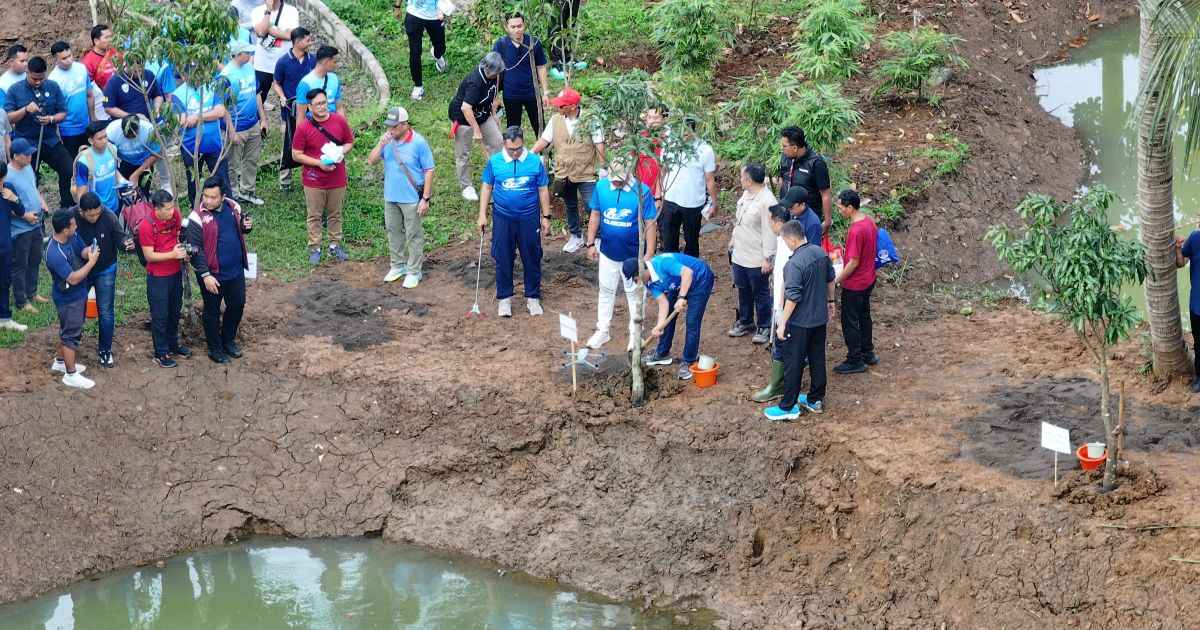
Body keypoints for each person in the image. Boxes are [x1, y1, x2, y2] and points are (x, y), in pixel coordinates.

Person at [763, 220, 834, 421]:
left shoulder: (793, 264)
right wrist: (831, 301)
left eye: (785, 240)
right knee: (817, 358)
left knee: (793, 362)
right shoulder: (820, 253)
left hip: (800, 323)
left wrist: (782, 322)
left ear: (791, 239)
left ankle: (788, 407)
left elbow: (793, 296)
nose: (785, 244)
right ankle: (815, 399)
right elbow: (831, 279)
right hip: (819, 319)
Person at [477, 125, 551, 318]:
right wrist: (482, 214)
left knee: (532, 256)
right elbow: (487, 187)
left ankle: (533, 297)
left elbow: (543, 189)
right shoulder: (495, 162)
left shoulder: (535, 162)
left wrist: (546, 216)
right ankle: (504, 298)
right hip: (503, 218)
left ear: (523, 143)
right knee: (503, 257)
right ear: (504, 144)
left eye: (518, 148)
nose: (516, 153)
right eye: (511, 149)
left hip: (529, 218)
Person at [583, 161, 656, 351]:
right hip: (607, 251)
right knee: (606, 290)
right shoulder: (601, 186)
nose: (615, 184)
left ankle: (635, 333)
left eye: (619, 181)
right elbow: (595, 214)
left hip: (632, 254)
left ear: (628, 175)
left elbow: (650, 222)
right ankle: (603, 330)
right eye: (613, 180)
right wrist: (590, 243)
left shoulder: (642, 191)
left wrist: (648, 253)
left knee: (634, 293)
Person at [185, 177, 253, 364]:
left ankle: (228, 340)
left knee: (237, 304)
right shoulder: (197, 217)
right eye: (206, 196)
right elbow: (194, 249)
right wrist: (205, 275)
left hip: (235, 271)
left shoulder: (233, 207)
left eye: (213, 197)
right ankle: (215, 348)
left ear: (222, 197)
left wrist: (246, 227)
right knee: (212, 310)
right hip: (212, 275)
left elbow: (239, 230)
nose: (207, 200)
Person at [531, 87, 605, 254]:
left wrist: (603, 168)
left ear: (572, 106)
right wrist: (531, 153)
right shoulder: (555, 120)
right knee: (570, 205)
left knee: (592, 206)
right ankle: (575, 236)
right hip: (564, 173)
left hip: (586, 172)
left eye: (561, 105)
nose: (558, 108)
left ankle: (598, 238)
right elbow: (544, 139)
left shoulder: (591, 120)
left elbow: (599, 143)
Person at [366, 106, 434, 287]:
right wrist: (380, 144)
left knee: (413, 235)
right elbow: (371, 160)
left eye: (394, 126)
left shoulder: (419, 142)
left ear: (405, 125)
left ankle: (414, 271)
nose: (391, 130)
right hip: (391, 196)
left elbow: (429, 170)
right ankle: (397, 265)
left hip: (411, 198)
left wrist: (425, 198)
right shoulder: (387, 141)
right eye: (389, 126)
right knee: (393, 232)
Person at [291, 87, 354, 264]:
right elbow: (296, 154)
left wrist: (340, 151)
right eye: (318, 104)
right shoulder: (303, 128)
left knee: (335, 213)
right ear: (309, 107)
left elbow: (349, 142)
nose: (322, 106)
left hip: (337, 177)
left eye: (324, 102)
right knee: (314, 215)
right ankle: (315, 247)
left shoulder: (339, 121)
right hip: (313, 180)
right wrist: (318, 163)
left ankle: (335, 244)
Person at [630, 252, 716, 380]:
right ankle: (662, 353)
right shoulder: (649, 282)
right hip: (678, 282)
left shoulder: (662, 263)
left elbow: (688, 273)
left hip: (700, 278)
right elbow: (663, 303)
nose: (636, 283)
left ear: (643, 271)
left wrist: (681, 297)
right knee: (670, 313)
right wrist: (659, 327)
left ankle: (689, 360)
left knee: (692, 321)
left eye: (636, 279)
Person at [5, 56, 74, 209]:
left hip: (49, 140)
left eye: (41, 78)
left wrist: (51, 119)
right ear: (27, 72)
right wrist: (25, 110)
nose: (38, 82)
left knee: (68, 169)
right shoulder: (15, 90)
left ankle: (67, 205)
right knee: (30, 180)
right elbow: (8, 118)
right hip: (26, 144)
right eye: (34, 78)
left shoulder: (53, 86)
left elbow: (63, 112)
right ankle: (34, 210)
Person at [74, 192, 132, 368]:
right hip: (82, 269)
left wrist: (126, 244)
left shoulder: (108, 216)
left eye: (97, 213)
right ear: (81, 212)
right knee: (76, 310)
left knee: (106, 311)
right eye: (90, 215)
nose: (95, 217)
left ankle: (105, 351)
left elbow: (120, 238)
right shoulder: (72, 217)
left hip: (106, 268)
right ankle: (70, 347)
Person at [45, 207, 100, 389]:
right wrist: (91, 262)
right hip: (68, 299)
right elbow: (74, 278)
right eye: (73, 225)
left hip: (78, 294)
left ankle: (60, 362)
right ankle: (70, 375)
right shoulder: (54, 253)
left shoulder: (72, 237)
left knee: (70, 329)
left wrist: (89, 252)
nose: (76, 226)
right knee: (70, 335)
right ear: (65, 229)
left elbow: (81, 250)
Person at [752, 204, 799, 403]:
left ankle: (778, 385)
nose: (769, 223)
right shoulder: (782, 240)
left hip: (786, 301)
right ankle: (780, 380)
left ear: (778, 221)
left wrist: (782, 305)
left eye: (770, 220)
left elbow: (789, 279)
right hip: (780, 299)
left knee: (782, 341)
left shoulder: (788, 243)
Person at [140, 189, 191, 368]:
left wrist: (182, 252)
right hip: (158, 277)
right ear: (156, 209)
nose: (171, 212)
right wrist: (172, 254)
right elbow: (149, 256)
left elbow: (178, 235)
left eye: (172, 207)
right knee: (160, 316)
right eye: (167, 209)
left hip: (175, 272)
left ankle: (173, 344)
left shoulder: (175, 215)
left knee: (174, 311)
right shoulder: (146, 225)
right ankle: (160, 352)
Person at [728, 163, 777, 344]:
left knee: (761, 293)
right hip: (741, 254)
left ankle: (764, 325)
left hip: (757, 257)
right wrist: (733, 239)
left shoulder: (767, 201)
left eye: (742, 177)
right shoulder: (747, 194)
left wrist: (768, 257)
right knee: (743, 289)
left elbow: (770, 231)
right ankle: (746, 321)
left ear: (748, 180)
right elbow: (739, 220)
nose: (740, 180)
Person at [833, 189, 878, 375]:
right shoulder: (868, 222)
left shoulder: (855, 230)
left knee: (849, 321)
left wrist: (837, 279)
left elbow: (853, 262)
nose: (839, 211)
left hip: (855, 284)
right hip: (869, 278)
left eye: (840, 207)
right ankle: (868, 352)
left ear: (850, 208)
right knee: (864, 315)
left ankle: (855, 359)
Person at [660, 118, 717, 257]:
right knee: (668, 240)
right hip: (670, 199)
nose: (682, 136)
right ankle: (672, 270)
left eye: (686, 132)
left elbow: (710, 179)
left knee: (691, 241)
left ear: (693, 131)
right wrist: (660, 193)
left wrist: (714, 203)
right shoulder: (669, 145)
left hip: (693, 203)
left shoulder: (704, 150)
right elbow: (663, 170)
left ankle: (691, 271)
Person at [450, 52, 504, 201]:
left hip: (484, 114)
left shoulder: (497, 74)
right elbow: (466, 108)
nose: (496, 75)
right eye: (494, 73)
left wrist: (494, 114)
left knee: (498, 141)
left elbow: (493, 95)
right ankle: (466, 186)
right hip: (463, 119)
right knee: (463, 153)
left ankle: (498, 178)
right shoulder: (475, 81)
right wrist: (477, 130)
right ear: (487, 69)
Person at [171, 74, 232, 207]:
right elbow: (182, 120)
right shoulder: (179, 94)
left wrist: (198, 117)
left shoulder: (213, 87)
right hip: (190, 147)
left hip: (214, 144)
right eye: (188, 73)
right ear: (183, 75)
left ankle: (229, 209)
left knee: (223, 179)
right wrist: (191, 118)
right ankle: (197, 212)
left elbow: (220, 111)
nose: (194, 77)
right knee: (193, 182)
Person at [221, 42, 267, 206]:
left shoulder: (249, 68)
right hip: (236, 127)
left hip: (253, 124)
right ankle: (232, 194)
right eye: (247, 53)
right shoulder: (226, 76)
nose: (250, 55)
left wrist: (263, 119)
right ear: (239, 54)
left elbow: (257, 94)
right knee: (232, 164)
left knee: (251, 159)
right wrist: (231, 131)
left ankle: (248, 190)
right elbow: (223, 107)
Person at [271, 26, 314, 192]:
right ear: (297, 42)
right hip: (289, 112)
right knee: (287, 145)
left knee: (310, 145)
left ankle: (309, 176)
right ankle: (285, 181)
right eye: (307, 39)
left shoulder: (313, 59)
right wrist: (282, 97)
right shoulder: (283, 61)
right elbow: (276, 83)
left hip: (310, 113)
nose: (310, 42)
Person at [7, 139, 48, 315]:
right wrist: (24, 216)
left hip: (36, 224)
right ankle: (21, 300)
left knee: (35, 259)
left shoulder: (28, 168)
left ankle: (32, 293)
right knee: (20, 265)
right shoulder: (7, 177)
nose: (30, 157)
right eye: (27, 154)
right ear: (16, 156)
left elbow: (33, 188)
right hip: (21, 229)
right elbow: (6, 206)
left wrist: (42, 202)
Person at [493, 12, 549, 135]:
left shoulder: (534, 43)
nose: (517, 30)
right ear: (507, 27)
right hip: (511, 94)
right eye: (513, 27)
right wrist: (495, 96)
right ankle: (513, 153)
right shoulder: (501, 45)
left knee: (540, 125)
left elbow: (541, 67)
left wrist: (545, 92)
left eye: (519, 26)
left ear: (524, 25)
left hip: (532, 92)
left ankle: (545, 154)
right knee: (513, 129)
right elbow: (495, 71)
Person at [778, 126, 831, 234]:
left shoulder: (816, 163)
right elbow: (782, 179)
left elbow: (825, 194)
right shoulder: (785, 157)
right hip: (787, 214)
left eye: (784, 146)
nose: (782, 149)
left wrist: (827, 220)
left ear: (795, 148)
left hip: (806, 218)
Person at [48, 42, 94, 160]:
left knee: (92, 161)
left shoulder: (81, 68)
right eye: (64, 58)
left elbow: (89, 95)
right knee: (76, 163)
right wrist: (58, 135)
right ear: (55, 59)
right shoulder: (53, 81)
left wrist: (93, 119)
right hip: (68, 130)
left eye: (70, 56)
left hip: (87, 126)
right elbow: (53, 111)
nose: (69, 60)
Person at [251, 0, 301, 108]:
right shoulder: (257, 11)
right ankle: (262, 122)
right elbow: (260, 32)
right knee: (258, 97)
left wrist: (270, 30)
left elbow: (291, 35)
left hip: (285, 63)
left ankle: (286, 123)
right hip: (263, 65)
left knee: (288, 99)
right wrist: (268, 11)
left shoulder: (291, 11)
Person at [0, 161, 31, 332]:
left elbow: (20, 210)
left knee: (4, 282)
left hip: (5, 246)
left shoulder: (8, 188)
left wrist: (14, 198)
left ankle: (4, 318)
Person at [402, 0, 451, 101]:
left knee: (440, 47)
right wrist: (397, 6)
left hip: (434, 16)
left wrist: (441, 9)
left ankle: (437, 55)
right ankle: (418, 86)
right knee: (415, 52)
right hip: (414, 14)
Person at [73, 121, 125, 214]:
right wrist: (82, 211)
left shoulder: (112, 149)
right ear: (91, 141)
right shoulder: (84, 161)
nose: (104, 141)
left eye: (105, 136)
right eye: (100, 138)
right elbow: (82, 190)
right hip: (96, 211)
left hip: (114, 205)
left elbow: (115, 171)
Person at [106, 114, 162, 191]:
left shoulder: (149, 130)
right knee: (125, 191)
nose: (130, 138)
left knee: (143, 191)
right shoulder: (112, 131)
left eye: (133, 136)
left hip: (144, 163)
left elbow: (156, 154)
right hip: (124, 162)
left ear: (138, 129)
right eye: (127, 136)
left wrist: (137, 174)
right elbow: (107, 152)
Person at [295, 45, 343, 120]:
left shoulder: (334, 78)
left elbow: (339, 108)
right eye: (334, 62)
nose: (336, 65)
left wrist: (345, 128)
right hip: (315, 126)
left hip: (333, 122)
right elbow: (301, 116)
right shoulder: (305, 84)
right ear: (326, 62)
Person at [81, 25, 119, 90]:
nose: (110, 40)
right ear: (96, 41)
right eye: (106, 37)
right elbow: (89, 86)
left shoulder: (114, 51)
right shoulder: (88, 62)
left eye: (110, 36)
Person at [0, 45, 28, 111]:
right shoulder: (3, 84)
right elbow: (4, 113)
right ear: (11, 62)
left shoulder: (29, 74)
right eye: (22, 61)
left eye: (26, 60)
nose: (26, 64)